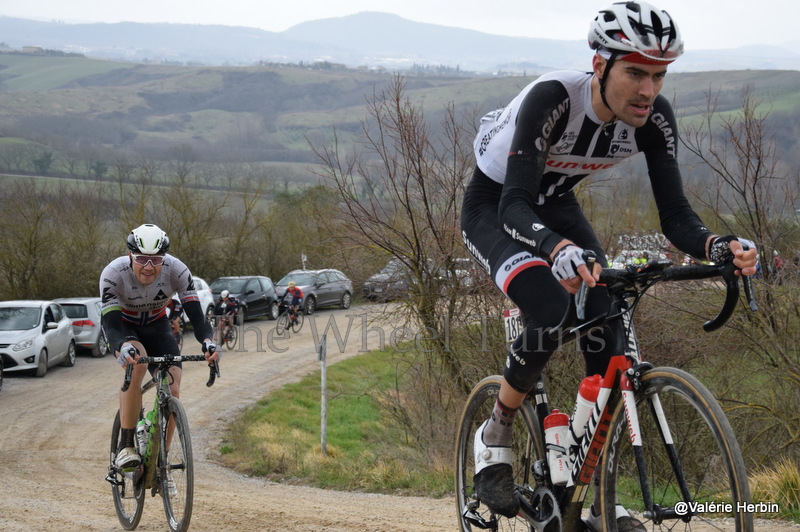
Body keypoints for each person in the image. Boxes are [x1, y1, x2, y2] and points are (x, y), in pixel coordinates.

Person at [460, 2, 758, 528]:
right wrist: (554, 249)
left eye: (659, 75)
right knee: (550, 306)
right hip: (498, 204)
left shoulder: (653, 116)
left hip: (554, 207)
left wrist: (716, 246)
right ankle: (497, 432)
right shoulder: (554, 98)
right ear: (600, 66)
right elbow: (512, 204)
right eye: (636, 73)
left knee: (607, 314)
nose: (648, 90)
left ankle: (586, 482)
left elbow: (676, 216)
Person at [100, 223, 218, 471]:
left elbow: (197, 316)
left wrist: (207, 341)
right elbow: (110, 325)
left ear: (164, 258)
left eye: (156, 260)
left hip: (157, 324)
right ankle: (126, 446)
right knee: (137, 363)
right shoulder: (113, 273)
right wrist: (121, 346)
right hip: (124, 327)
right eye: (142, 259)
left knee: (173, 386)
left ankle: (159, 460)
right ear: (131, 256)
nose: (149, 267)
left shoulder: (177, 270)